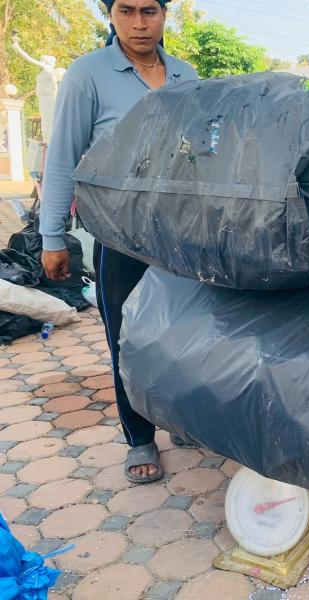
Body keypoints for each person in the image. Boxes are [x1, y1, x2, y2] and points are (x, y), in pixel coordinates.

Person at [39, 0, 197, 484]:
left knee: (186, 332)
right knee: (128, 338)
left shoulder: (186, 74)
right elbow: (63, 158)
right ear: (110, 14)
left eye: (149, 10)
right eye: (126, 10)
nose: (139, 23)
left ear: (165, 14)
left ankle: (185, 418)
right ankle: (140, 437)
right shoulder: (88, 74)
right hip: (120, 237)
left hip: (181, 237)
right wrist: (52, 236)